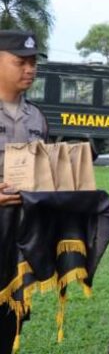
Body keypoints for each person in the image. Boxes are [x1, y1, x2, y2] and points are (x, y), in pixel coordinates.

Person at [0, 30, 48, 354]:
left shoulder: (37, 117)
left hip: (19, 235)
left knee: (10, 321)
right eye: (21, 62)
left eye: (33, 62)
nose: (29, 69)